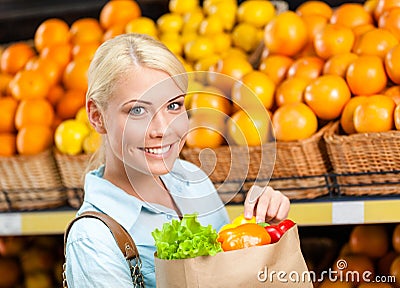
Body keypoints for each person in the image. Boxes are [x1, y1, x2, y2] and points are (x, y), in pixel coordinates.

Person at [65, 33, 290, 288]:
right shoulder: (93, 239)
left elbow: (233, 278)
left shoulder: (192, 180)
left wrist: (264, 234)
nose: (163, 129)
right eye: (137, 110)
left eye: (173, 106)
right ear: (96, 116)